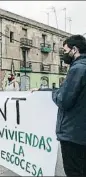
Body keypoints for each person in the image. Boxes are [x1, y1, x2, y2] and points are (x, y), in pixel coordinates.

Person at [32, 35, 86, 176]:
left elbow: (63, 100)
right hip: (81, 132)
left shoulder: (78, 69)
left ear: (74, 49)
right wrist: (45, 90)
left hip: (73, 134)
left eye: (65, 50)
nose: (63, 54)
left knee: (75, 171)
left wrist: (53, 94)